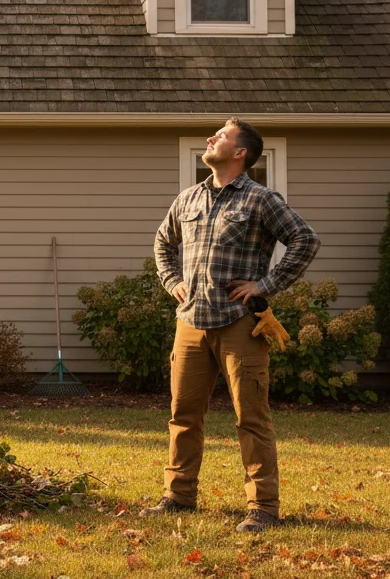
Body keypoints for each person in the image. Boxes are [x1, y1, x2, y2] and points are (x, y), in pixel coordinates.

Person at [141, 118, 320, 533]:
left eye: (221, 136)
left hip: (240, 323)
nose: (211, 138)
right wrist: (172, 282)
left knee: (251, 417)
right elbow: (162, 243)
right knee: (183, 414)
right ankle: (179, 496)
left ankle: (263, 508)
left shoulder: (260, 199)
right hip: (190, 324)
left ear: (240, 153)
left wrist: (265, 284)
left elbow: (305, 240)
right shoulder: (188, 199)